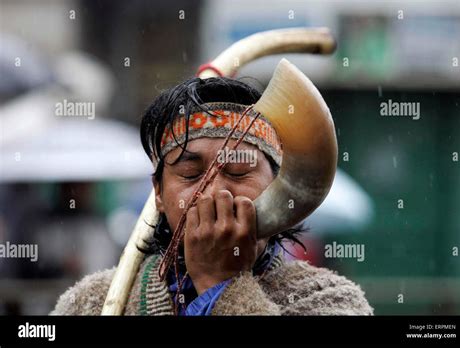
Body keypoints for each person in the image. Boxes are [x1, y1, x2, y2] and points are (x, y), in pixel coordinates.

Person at [51, 77, 373, 315]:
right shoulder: (91, 303)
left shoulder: (330, 300)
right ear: (159, 193)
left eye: (238, 171)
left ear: (277, 185)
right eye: (190, 174)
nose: (215, 191)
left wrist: (220, 281)